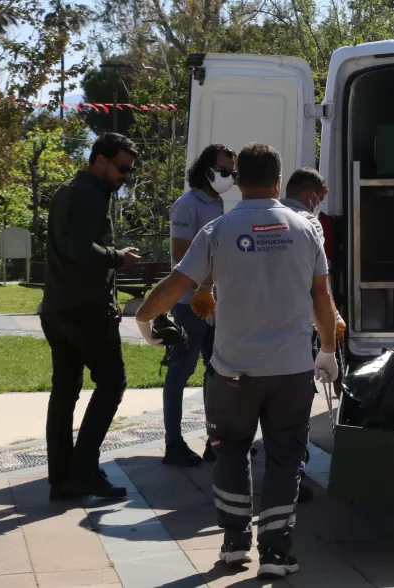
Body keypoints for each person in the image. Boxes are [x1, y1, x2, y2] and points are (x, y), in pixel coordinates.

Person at [135, 143, 339, 580]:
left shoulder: (220, 229)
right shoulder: (306, 229)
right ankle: (276, 551)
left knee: (230, 453)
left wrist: (144, 319)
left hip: (232, 371)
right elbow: (321, 296)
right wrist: (327, 351)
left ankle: (233, 544)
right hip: (290, 369)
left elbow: (176, 283)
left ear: (239, 180)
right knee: (285, 458)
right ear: (279, 181)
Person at [41, 132, 141, 501]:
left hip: (56, 308)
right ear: (99, 159)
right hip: (83, 310)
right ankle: (83, 471)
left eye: (130, 170)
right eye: (122, 168)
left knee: (65, 391)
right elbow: (80, 249)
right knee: (112, 384)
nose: (126, 176)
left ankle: (61, 478)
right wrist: (117, 256)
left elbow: (70, 252)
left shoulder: (68, 190)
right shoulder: (89, 195)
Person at [162, 144, 237, 467]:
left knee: (217, 373)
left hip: (214, 304)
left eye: (232, 172)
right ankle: (173, 443)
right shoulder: (186, 205)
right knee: (180, 373)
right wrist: (202, 288)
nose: (229, 178)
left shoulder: (218, 202)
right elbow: (181, 256)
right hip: (189, 304)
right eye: (224, 171)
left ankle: (215, 439)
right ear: (207, 170)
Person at [281, 167, 347, 503]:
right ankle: (293, 478)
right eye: (321, 197)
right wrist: (328, 338)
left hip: (249, 341)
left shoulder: (257, 219)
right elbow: (318, 289)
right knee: (294, 413)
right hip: (294, 335)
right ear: (310, 195)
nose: (322, 204)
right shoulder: (308, 225)